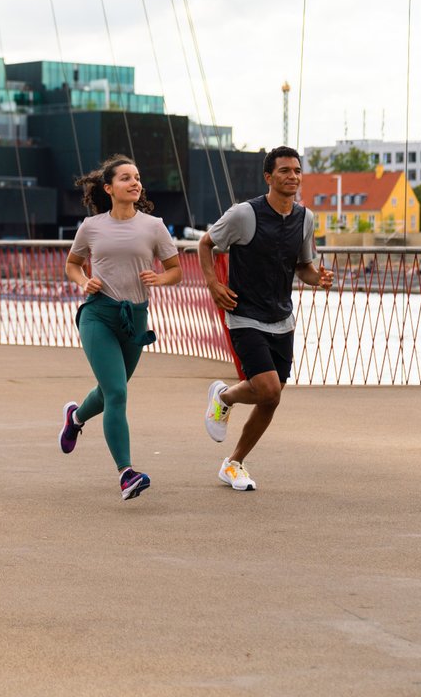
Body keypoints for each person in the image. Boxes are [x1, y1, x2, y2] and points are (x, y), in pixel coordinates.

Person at [197, 146, 334, 491]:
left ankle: (233, 461)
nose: (293, 176)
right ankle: (225, 400)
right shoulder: (244, 214)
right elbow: (205, 244)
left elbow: (303, 267)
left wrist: (318, 278)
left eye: (297, 171)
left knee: (271, 397)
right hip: (244, 315)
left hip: (281, 319)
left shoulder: (305, 218)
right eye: (285, 171)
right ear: (268, 177)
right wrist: (213, 284)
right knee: (268, 388)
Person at [58, 155, 182, 500]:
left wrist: (160, 278)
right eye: (126, 178)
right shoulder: (92, 226)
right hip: (98, 315)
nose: (135, 182)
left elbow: (175, 271)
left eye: (137, 177)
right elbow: (72, 264)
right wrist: (84, 280)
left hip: (135, 318)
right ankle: (126, 473)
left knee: (110, 390)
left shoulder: (154, 226)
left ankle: (76, 417)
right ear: (109, 188)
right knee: (117, 393)